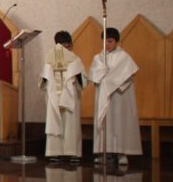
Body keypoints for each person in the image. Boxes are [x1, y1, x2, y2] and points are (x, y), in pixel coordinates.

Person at [89, 28, 142, 167]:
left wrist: (111, 79)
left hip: (118, 97)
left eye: (110, 41)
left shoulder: (124, 57)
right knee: (105, 123)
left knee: (119, 123)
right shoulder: (98, 57)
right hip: (103, 97)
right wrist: (103, 75)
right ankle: (103, 152)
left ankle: (121, 152)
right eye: (104, 41)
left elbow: (129, 74)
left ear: (117, 42)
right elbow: (94, 75)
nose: (107, 44)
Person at [40, 31, 86, 164]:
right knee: (55, 122)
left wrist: (77, 74)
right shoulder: (49, 59)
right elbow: (43, 80)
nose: (65, 49)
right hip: (54, 97)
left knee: (71, 125)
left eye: (67, 46)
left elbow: (82, 81)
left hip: (70, 97)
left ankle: (73, 153)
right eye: (62, 46)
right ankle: (56, 152)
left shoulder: (75, 59)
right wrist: (44, 78)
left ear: (70, 45)